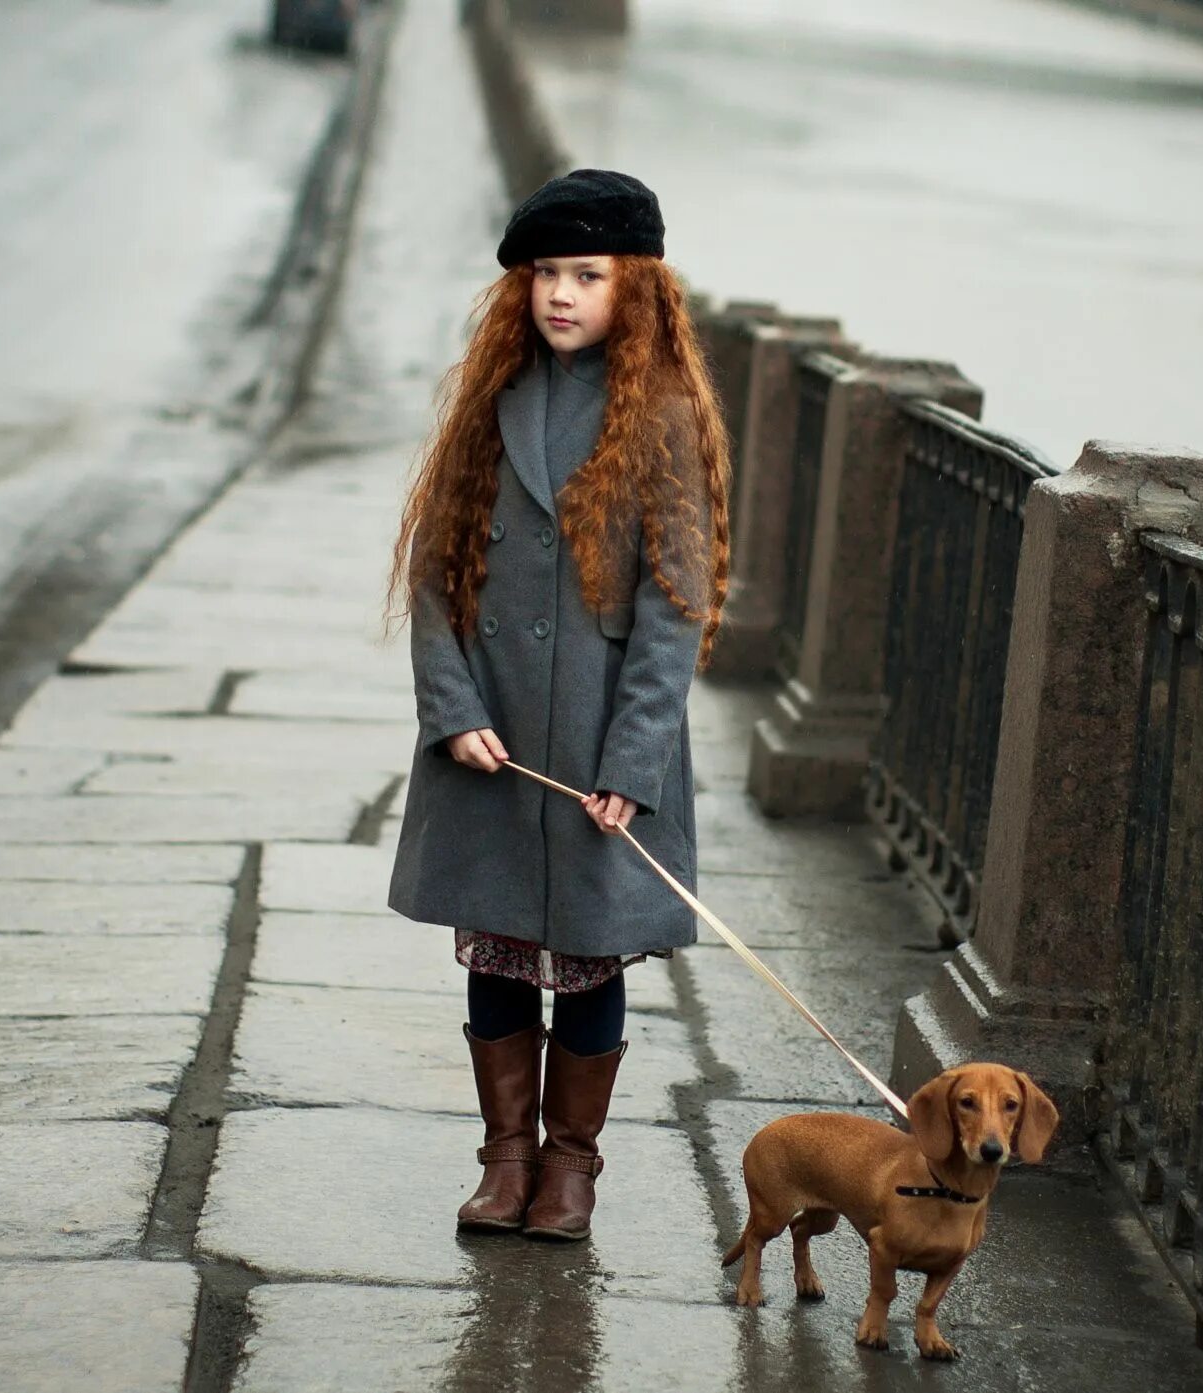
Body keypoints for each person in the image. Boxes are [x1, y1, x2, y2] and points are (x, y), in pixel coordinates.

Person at [386, 169, 731, 1242]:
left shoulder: (663, 415)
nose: (561, 294)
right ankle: (504, 1161)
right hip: (489, 742)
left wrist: (631, 762)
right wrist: (449, 706)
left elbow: (675, 608)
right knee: (495, 956)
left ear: (636, 288)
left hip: (592, 750)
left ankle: (569, 1171)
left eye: (587, 274)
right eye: (544, 273)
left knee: (585, 962)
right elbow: (436, 573)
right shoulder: (491, 400)